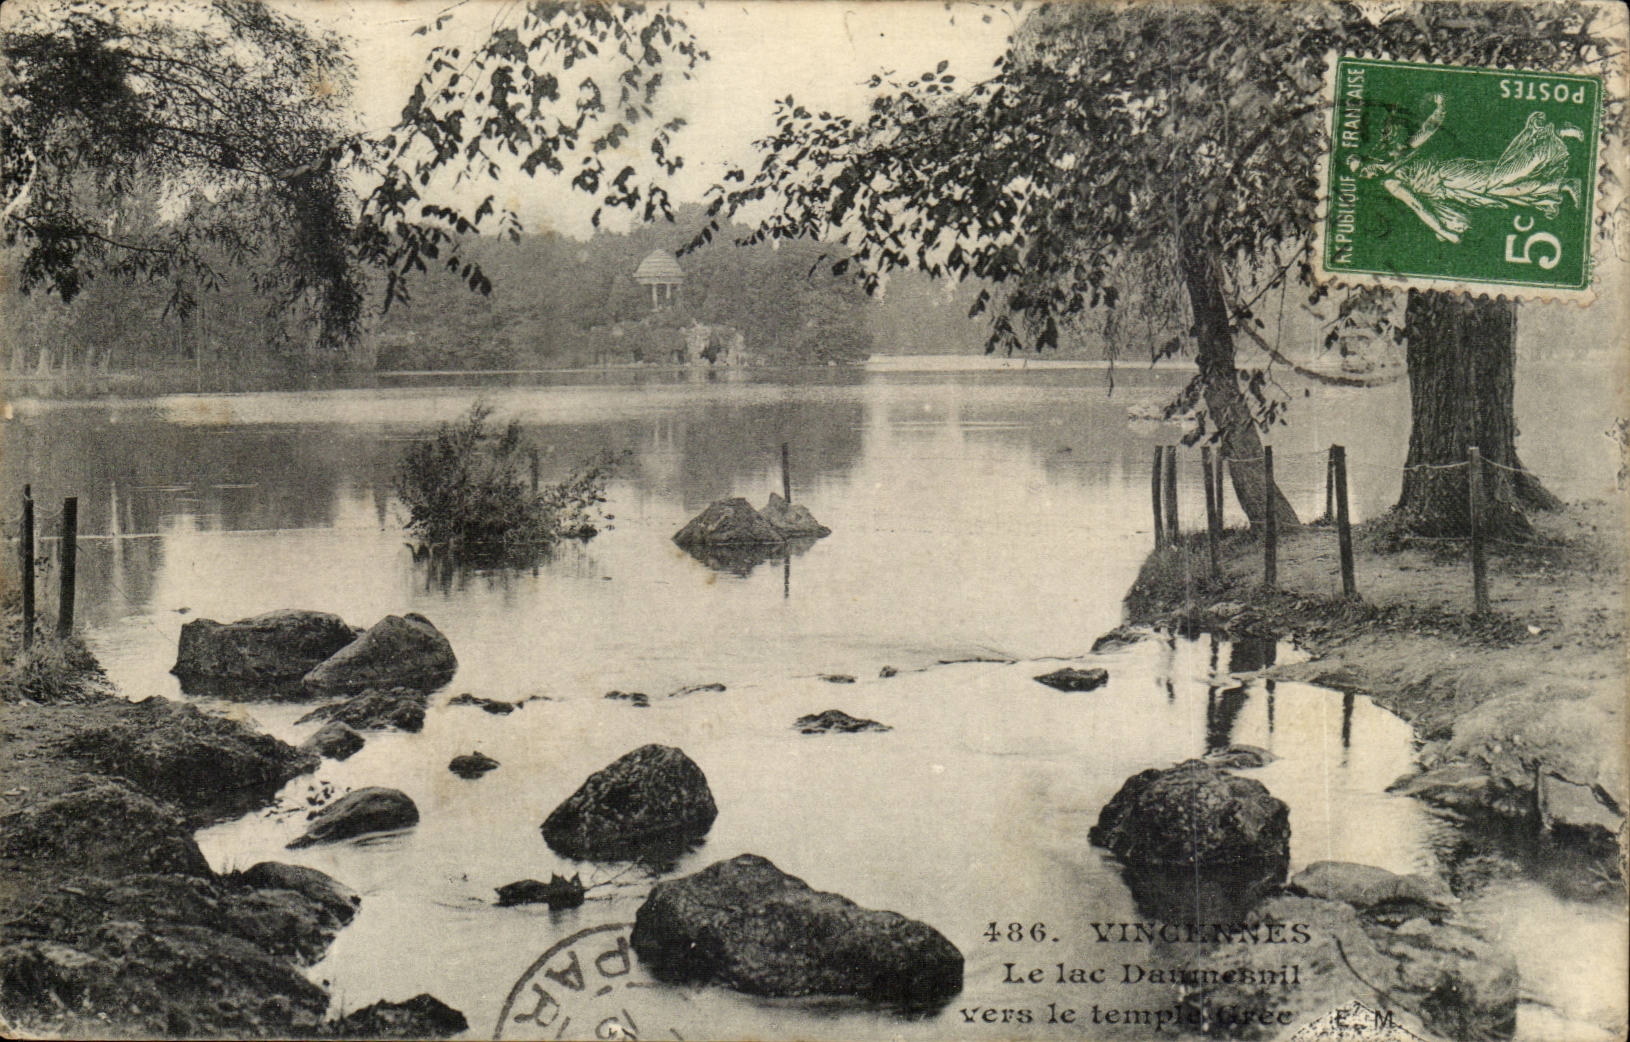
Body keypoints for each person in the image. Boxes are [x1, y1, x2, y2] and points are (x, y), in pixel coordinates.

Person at [1350, 101, 1583, 244]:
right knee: (1504, 190)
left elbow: (1427, 130)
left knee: (1499, 179)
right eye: (1362, 175)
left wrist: (1440, 108)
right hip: (1453, 190)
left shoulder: (1397, 154)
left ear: (1368, 159)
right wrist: (1442, 230)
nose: (1367, 173)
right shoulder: (1390, 183)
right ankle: (1563, 184)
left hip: (1450, 174)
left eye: (1363, 167)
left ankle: (1556, 133)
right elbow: (1418, 206)